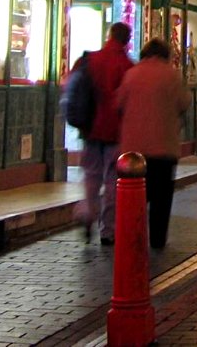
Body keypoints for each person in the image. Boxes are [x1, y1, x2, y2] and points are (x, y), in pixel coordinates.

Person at [115, 38, 189, 249]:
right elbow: (184, 102)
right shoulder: (171, 76)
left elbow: (118, 103)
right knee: (161, 199)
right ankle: (157, 239)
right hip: (164, 148)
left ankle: (132, 238)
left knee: (135, 198)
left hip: (134, 151)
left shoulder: (132, 74)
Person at [75, 21, 134, 246]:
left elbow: (71, 86)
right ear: (127, 41)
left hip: (90, 129)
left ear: (109, 35)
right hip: (115, 131)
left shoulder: (88, 60)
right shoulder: (127, 66)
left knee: (91, 176)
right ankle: (107, 230)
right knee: (112, 180)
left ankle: (88, 214)